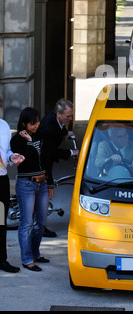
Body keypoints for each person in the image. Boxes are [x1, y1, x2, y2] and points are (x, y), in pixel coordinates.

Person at [10, 107, 53, 272]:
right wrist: (28, 143)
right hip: (26, 184)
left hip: (42, 183)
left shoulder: (41, 135)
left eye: (37, 122)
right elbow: (26, 162)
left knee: (41, 222)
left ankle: (35, 253)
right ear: (23, 123)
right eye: (33, 123)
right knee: (26, 223)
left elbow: (47, 160)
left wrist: (50, 183)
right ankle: (27, 260)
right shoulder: (17, 140)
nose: (37, 125)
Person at [39, 99, 79, 237]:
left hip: (46, 156)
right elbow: (49, 152)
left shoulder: (56, 119)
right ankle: (40, 226)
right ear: (59, 114)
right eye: (68, 116)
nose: (70, 118)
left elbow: (60, 128)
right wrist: (70, 152)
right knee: (45, 190)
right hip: (42, 160)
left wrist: (66, 133)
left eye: (71, 115)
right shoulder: (48, 128)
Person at [0, 99, 25, 273]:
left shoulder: (3, 126)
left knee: (1, 222)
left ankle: (2, 260)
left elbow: (6, 150)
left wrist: (11, 157)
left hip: (1, 179)